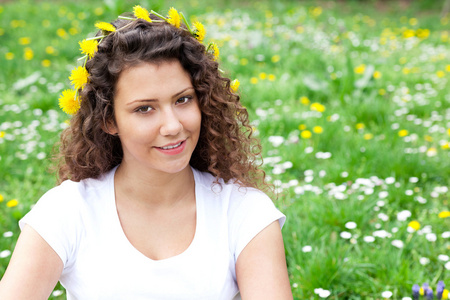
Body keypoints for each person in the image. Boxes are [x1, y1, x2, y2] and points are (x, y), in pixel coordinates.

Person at [0, 6, 292, 300]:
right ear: (109, 120)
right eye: (144, 108)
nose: (172, 126)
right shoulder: (68, 212)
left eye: (183, 100)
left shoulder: (244, 211)